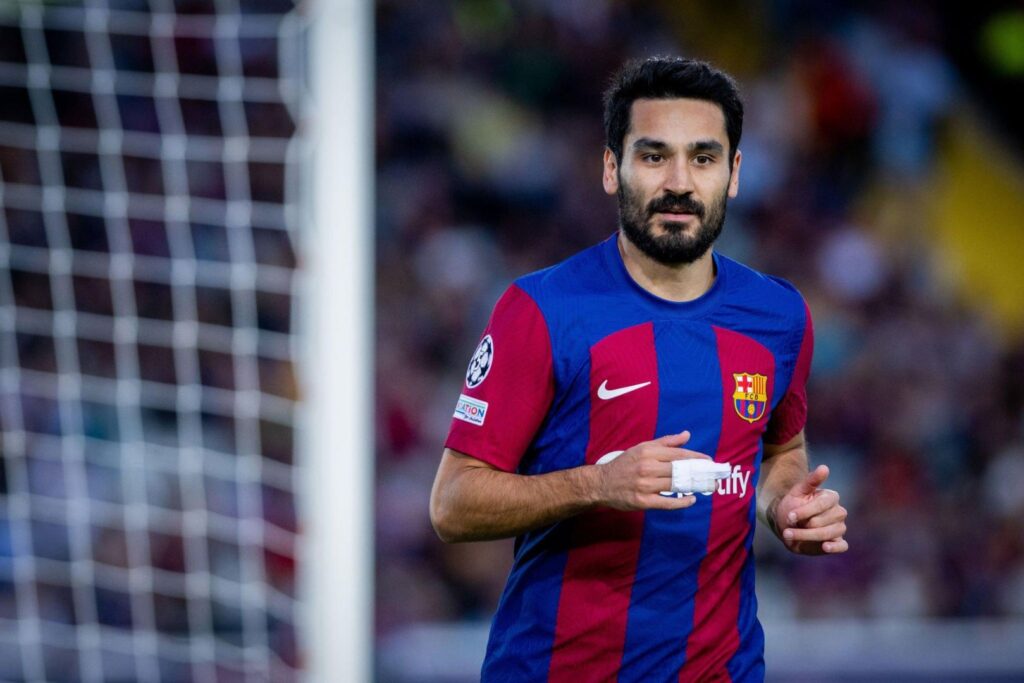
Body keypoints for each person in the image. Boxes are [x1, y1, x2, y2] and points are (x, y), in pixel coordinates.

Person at [429, 56, 848, 682]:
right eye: (654, 156)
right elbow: (452, 504)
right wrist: (597, 485)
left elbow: (780, 450)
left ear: (733, 174)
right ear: (610, 167)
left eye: (703, 158)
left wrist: (785, 506)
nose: (679, 181)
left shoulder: (779, 316)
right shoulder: (541, 310)